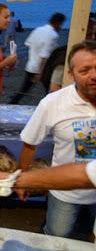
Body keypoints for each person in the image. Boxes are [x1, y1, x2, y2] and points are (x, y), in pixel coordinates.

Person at [14, 40, 96, 238]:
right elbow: (30, 142)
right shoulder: (53, 103)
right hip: (64, 192)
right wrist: (23, 179)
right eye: (85, 70)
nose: (94, 76)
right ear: (71, 74)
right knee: (56, 236)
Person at [10, 13, 66, 104]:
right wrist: (40, 73)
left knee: (24, 90)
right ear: (58, 23)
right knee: (50, 91)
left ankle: (12, 103)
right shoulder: (53, 35)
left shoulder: (38, 29)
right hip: (42, 69)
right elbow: (44, 56)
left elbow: (28, 44)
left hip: (30, 65)